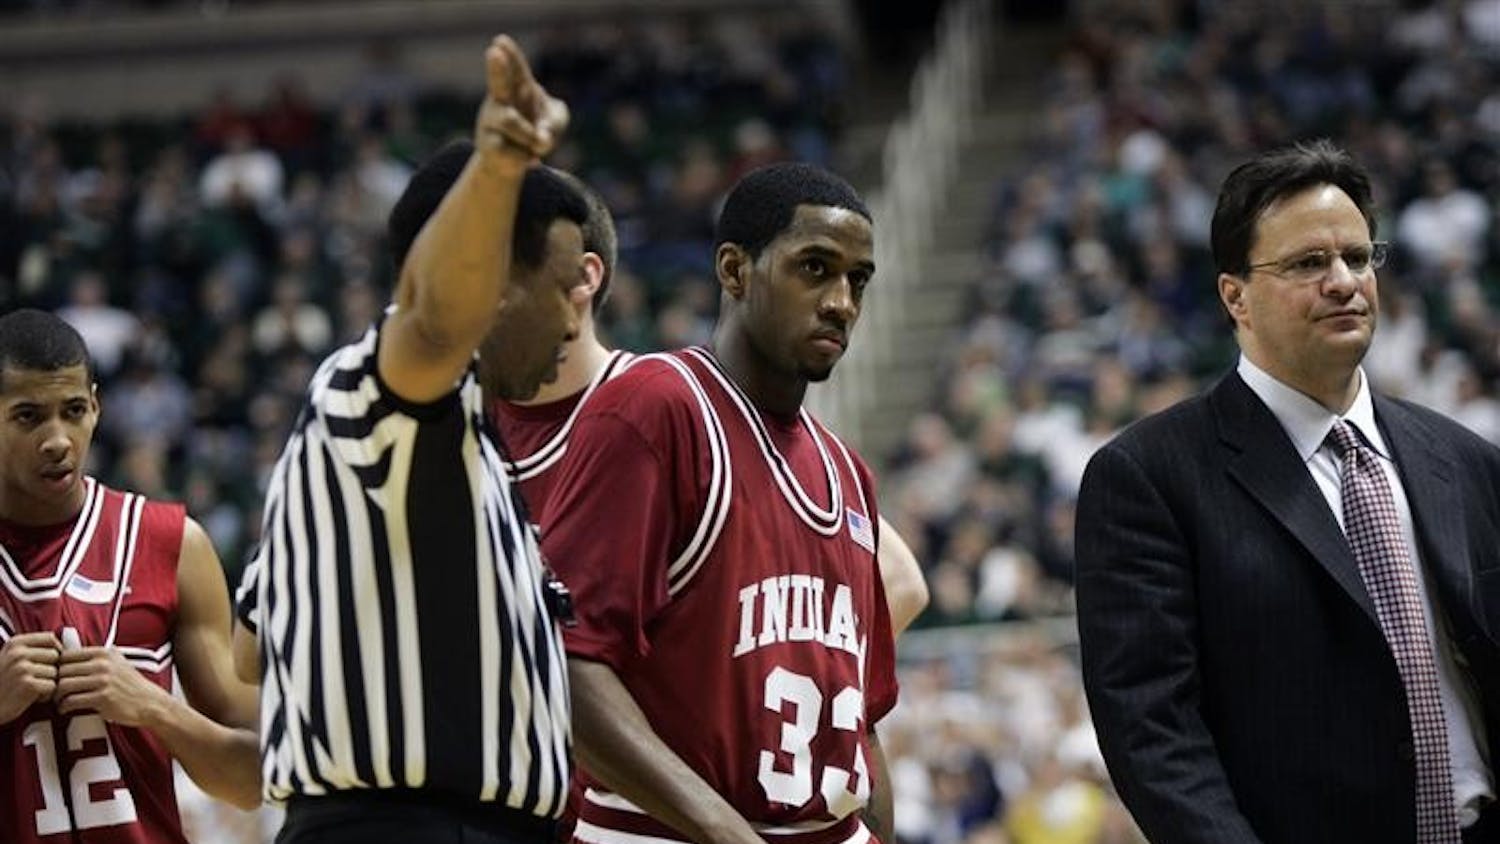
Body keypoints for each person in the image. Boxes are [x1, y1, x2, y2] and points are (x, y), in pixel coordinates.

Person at [1075, 140, 1500, 844]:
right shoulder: (1148, 476)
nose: (1343, 282)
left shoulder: (1465, 459)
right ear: (1233, 295)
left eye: (1358, 258)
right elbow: (1152, 732)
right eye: (1308, 263)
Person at [232, 36, 577, 844]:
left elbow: (249, 656)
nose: (573, 318)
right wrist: (499, 162)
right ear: (488, 281)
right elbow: (430, 318)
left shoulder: (442, 447)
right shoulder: (377, 391)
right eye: (561, 289)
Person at [540, 162, 898, 844]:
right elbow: (564, 662)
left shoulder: (849, 472)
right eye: (815, 268)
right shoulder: (657, 407)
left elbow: (865, 726)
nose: (842, 302)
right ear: (735, 271)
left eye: (857, 280)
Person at [481, 169, 929, 632]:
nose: (468, 293)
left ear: (582, 276)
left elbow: (899, 580)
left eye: (488, 269)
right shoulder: (460, 424)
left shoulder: (657, 404)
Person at [0, 308, 260, 844]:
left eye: (73, 410)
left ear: (96, 406)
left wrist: (154, 708)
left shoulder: (171, 544)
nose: (58, 439)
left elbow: (255, 778)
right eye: (28, 417)